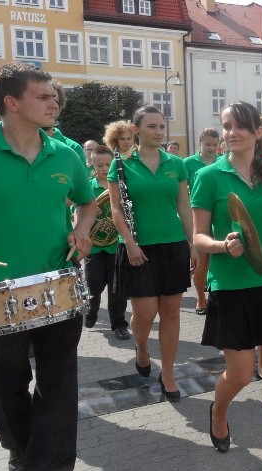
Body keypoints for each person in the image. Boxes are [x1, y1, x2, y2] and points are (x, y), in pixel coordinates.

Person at [0, 62, 97, 471]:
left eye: (54, 95)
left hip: (59, 285)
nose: (55, 103)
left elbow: (87, 202)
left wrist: (82, 230)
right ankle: (21, 452)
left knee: (58, 387)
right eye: (44, 96)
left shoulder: (66, 154)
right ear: (11, 102)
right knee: (7, 386)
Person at [191, 101, 262, 471]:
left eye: (240, 126)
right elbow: (198, 237)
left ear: (259, 133)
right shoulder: (209, 177)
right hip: (232, 285)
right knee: (239, 373)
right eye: (226, 126)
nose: (231, 132)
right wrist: (222, 245)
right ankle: (218, 409)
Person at [107, 105, 197, 402]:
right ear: (136, 130)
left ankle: (168, 372)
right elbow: (116, 208)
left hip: (172, 245)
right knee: (145, 313)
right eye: (152, 127)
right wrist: (129, 242)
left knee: (171, 311)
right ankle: (142, 347)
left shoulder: (176, 163)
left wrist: (192, 243)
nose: (159, 132)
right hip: (137, 247)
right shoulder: (120, 164)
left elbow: (184, 206)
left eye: (161, 126)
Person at [82, 145, 130, 339]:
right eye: (99, 165)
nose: (103, 168)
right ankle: (91, 310)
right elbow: (78, 213)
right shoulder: (87, 186)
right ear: (91, 165)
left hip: (115, 245)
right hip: (93, 246)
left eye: (108, 165)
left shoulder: (122, 185)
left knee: (117, 288)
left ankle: (118, 324)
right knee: (93, 285)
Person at [184, 127, 221, 315]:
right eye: (208, 144)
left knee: (220, 260)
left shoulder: (223, 162)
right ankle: (200, 298)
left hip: (220, 217)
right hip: (198, 217)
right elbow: (182, 193)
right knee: (201, 263)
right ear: (200, 143)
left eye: (215, 144)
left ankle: (217, 295)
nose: (212, 148)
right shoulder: (188, 163)